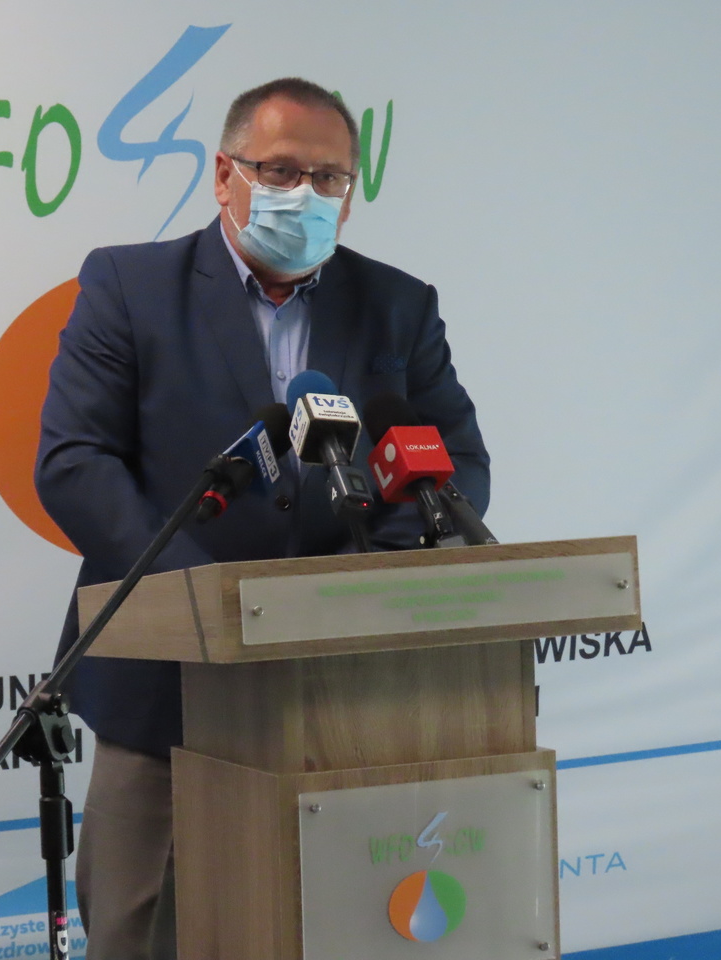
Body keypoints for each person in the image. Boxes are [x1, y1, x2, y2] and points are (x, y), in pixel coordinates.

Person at [34, 77, 489, 960]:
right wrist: (208, 602)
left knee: (336, 926)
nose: (305, 194)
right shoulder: (131, 285)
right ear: (224, 175)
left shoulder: (398, 305)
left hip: (347, 688)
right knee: (141, 936)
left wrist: (352, 589)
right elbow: (75, 464)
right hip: (168, 687)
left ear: (350, 195)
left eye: (329, 178)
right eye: (280, 171)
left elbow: (456, 465)